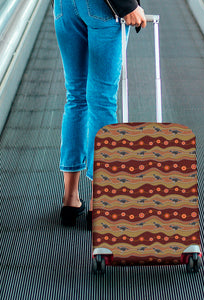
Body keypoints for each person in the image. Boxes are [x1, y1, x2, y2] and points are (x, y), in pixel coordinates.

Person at [53, 0, 146, 226]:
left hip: (64, 7)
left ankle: (70, 198)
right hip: (103, 8)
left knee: (75, 97)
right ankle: (101, 202)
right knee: (101, 101)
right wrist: (128, 5)